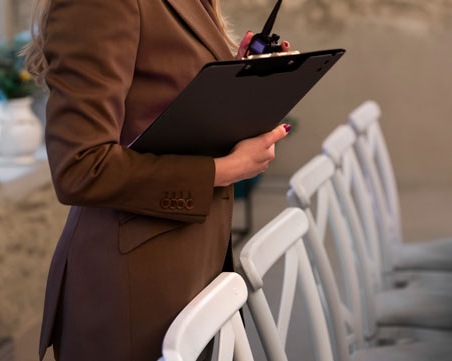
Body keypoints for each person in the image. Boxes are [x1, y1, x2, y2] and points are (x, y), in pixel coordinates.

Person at [22, 0, 290, 359]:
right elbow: (80, 168)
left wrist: (235, 82)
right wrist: (225, 170)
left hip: (188, 263)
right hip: (134, 288)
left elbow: (159, 108)